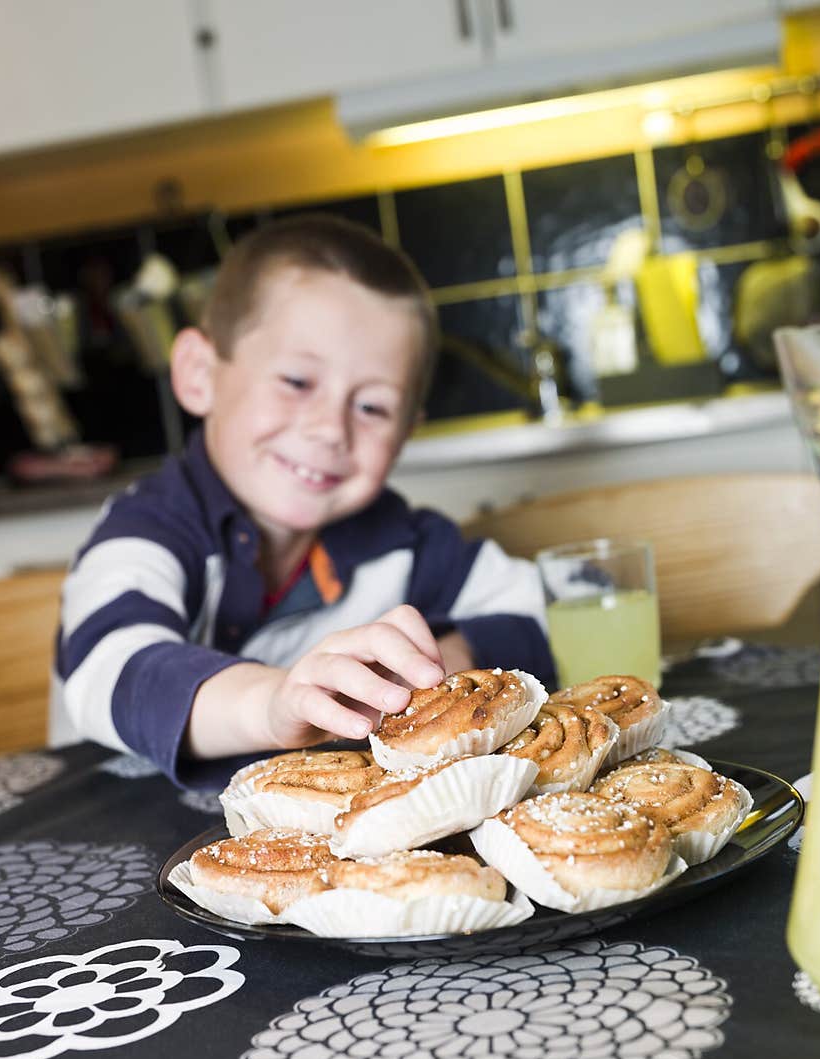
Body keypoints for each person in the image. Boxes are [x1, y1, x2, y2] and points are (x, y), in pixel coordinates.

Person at [52, 214, 554, 788]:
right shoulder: (148, 529)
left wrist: (438, 670)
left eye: (372, 408)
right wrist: (274, 702)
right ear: (199, 374)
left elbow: (548, 608)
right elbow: (113, 667)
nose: (329, 430)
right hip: (105, 835)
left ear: (406, 432)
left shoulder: (398, 540)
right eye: (296, 381)